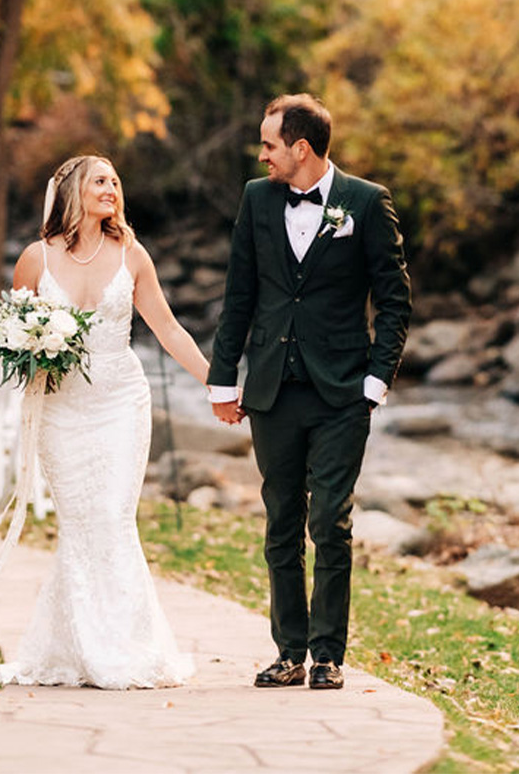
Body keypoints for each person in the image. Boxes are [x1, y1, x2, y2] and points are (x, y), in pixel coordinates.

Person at [0, 154, 209, 690]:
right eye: (100, 180)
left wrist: (216, 382)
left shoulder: (132, 255)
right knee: (82, 527)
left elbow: (170, 331)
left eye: (115, 181)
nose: (111, 188)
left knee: (112, 516)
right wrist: (32, 346)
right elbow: (9, 337)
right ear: (74, 191)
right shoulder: (35, 259)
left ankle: (127, 649)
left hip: (121, 403)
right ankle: (78, 648)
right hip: (62, 412)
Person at [208, 94, 412, 691]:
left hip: (342, 391)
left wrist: (375, 381)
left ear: (301, 148)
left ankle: (328, 654)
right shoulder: (256, 197)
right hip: (272, 388)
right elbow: (239, 293)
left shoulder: (367, 203)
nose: (262, 154)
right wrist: (223, 379)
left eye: (270, 144)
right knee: (281, 524)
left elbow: (395, 301)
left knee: (330, 521)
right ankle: (287, 651)